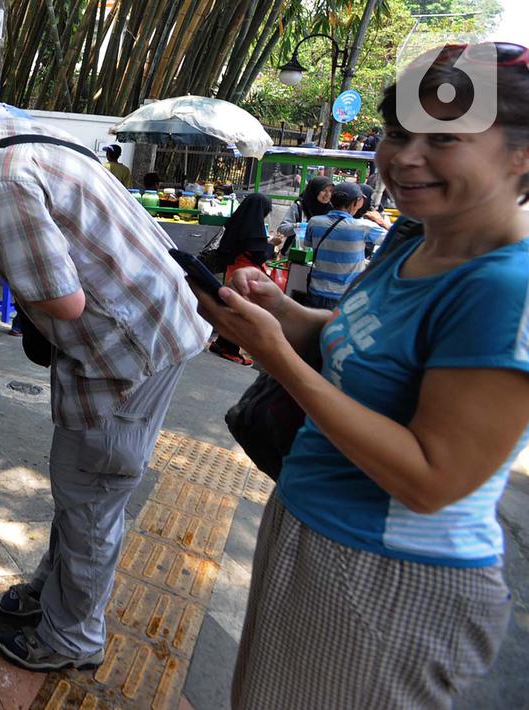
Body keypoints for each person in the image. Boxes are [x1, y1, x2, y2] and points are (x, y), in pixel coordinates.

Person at [192, 42, 529, 708]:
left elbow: (430, 479)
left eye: (444, 137)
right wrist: (280, 312)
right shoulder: (413, 236)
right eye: (398, 132)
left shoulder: (505, 288)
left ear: (521, 155)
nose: (405, 156)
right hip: (309, 522)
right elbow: (350, 341)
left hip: (390, 576)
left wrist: (277, 357)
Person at [0, 107, 211, 672]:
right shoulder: (4, 134)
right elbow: (53, 200)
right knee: (78, 481)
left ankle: (74, 637)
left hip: (127, 347)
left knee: (92, 491)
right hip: (153, 316)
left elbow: (64, 302)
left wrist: (0, 247)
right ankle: (54, 593)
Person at [208, 193, 273, 366]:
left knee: (234, 308)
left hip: (233, 270)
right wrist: (272, 246)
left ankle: (221, 343)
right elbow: (259, 254)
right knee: (241, 313)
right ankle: (230, 349)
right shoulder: (253, 229)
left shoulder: (238, 222)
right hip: (246, 275)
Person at [300, 181, 386, 310]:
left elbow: (307, 244)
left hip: (315, 291)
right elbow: (396, 238)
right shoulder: (364, 227)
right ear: (357, 202)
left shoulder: (314, 222)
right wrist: (381, 222)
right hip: (345, 297)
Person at [275, 176, 333, 251]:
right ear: (315, 190)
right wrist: (300, 226)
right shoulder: (300, 206)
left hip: (320, 255)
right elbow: (281, 229)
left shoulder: (331, 210)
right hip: (297, 253)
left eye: (331, 191)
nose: (328, 194)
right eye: (324, 190)